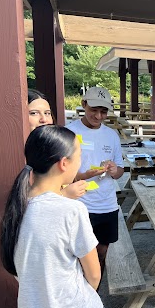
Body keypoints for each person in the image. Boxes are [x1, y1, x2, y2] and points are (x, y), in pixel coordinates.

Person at [0, 125, 116, 308]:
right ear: (64, 163)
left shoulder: (17, 207)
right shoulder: (71, 210)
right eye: (79, 156)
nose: (80, 163)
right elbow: (93, 276)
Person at [66, 87, 125, 278]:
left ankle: (95, 300)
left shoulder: (111, 135)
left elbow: (120, 170)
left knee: (102, 252)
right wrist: (84, 175)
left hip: (107, 204)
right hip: (79, 204)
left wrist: (115, 170)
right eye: (94, 110)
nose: (98, 116)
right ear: (84, 105)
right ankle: (78, 300)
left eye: (104, 111)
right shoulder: (69, 132)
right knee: (77, 257)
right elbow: (61, 175)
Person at [28, 89, 87, 201]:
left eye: (47, 113)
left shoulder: (48, 147)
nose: (44, 119)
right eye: (34, 113)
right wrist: (63, 195)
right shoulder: (15, 155)